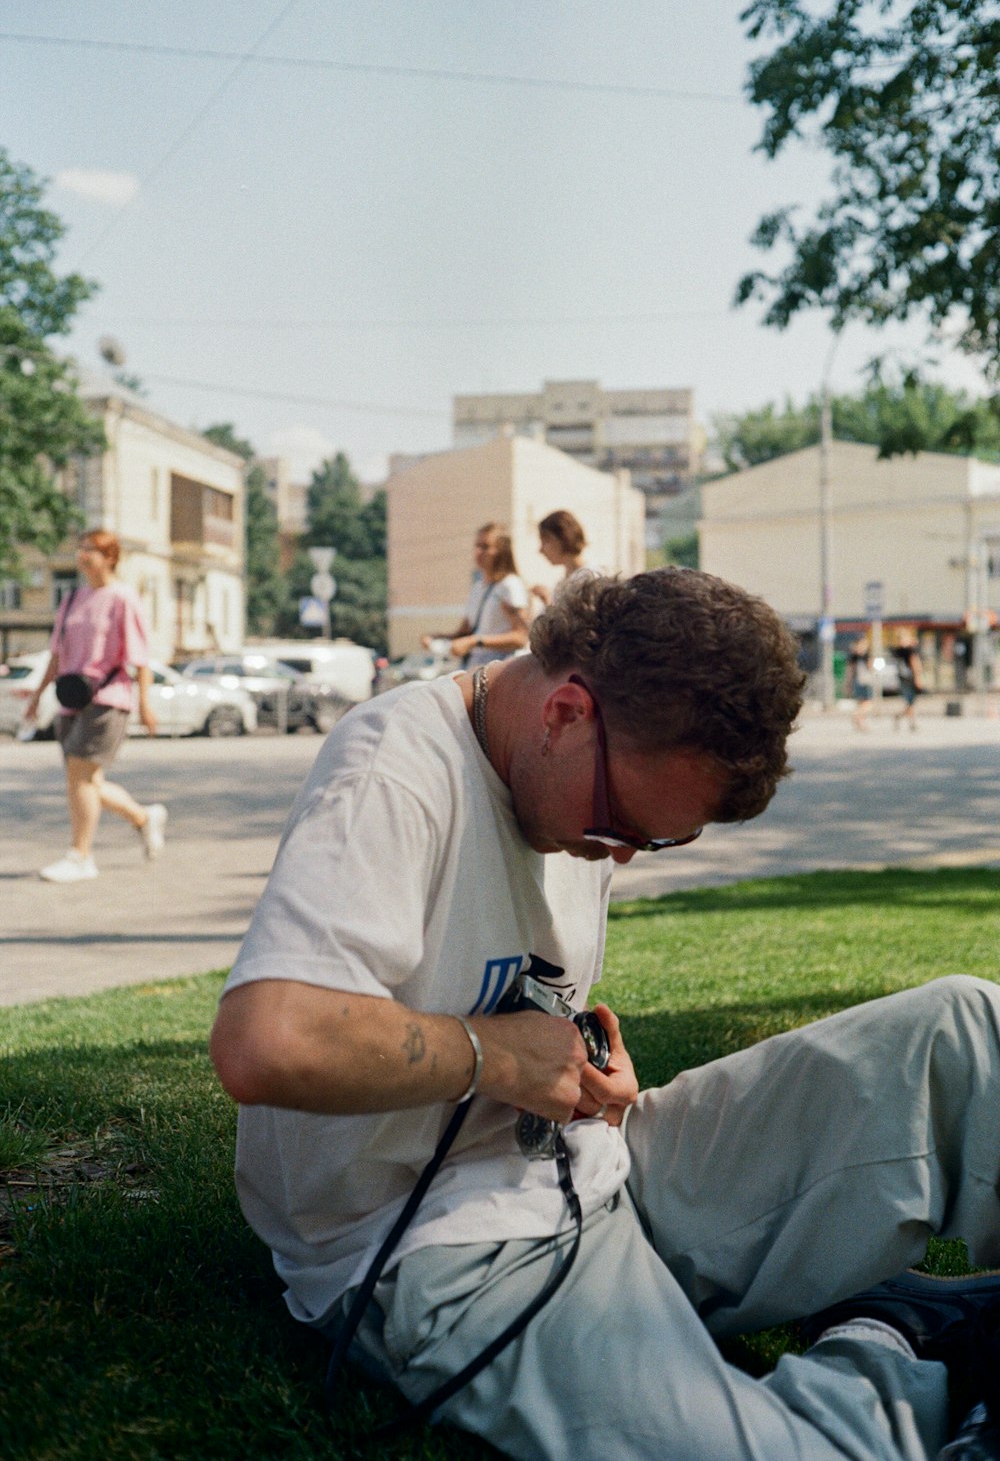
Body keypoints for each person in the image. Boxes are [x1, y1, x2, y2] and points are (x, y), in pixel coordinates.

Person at [211, 567, 1000, 1461]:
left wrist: (581, 1080)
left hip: (599, 1169)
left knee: (968, 1032)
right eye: (620, 825)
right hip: (440, 1247)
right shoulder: (394, 773)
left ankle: (902, 1318)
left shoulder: (569, 788)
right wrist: (497, 1057)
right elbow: (266, 1038)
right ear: (566, 713)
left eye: (659, 841)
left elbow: (513, 1004)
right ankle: (892, 1352)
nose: (622, 851)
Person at [27, 530, 167, 883]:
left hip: (108, 699)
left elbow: (141, 659)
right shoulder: (72, 598)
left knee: (80, 777)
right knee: (86, 782)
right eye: (81, 549)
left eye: (91, 550)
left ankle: (80, 856)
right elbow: (57, 655)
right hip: (71, 700)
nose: (82, 555)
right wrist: (36, 695)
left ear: (110, 557)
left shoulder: (123, 598)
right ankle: (143, 817)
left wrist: (146, 705)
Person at [422, 521, 530, 668]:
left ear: (501, 551)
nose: (478, 552)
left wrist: (475, 641)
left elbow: (520, 637)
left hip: (499, 669)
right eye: (477, 546)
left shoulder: (510, 585)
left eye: (485, 547)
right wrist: (436, 638)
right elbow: (464, 633)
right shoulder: (478, 588)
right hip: (474, 667)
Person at [530, 508, 588, 609]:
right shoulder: (564, 582)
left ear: (562, 539)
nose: (541, 550)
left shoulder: (588, 578)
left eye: (545, 541)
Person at [893, 627, 925, 731]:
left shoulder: (899, 650)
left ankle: (904, 718)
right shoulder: (909, 650)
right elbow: (915, 664)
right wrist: (918, 678)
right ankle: (911, 722)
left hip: (903, 678)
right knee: (910, 702)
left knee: (910, 702)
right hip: (909, 678)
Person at [848, 633, 875, 731]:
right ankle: (857, 715)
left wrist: (848, 684)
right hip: (866, 681)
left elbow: (850, 671)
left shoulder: (853, 655)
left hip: (856, 681)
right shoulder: (866, 654)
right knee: (868, 703)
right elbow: (870, 667)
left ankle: (861, 723)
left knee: (860, 702)